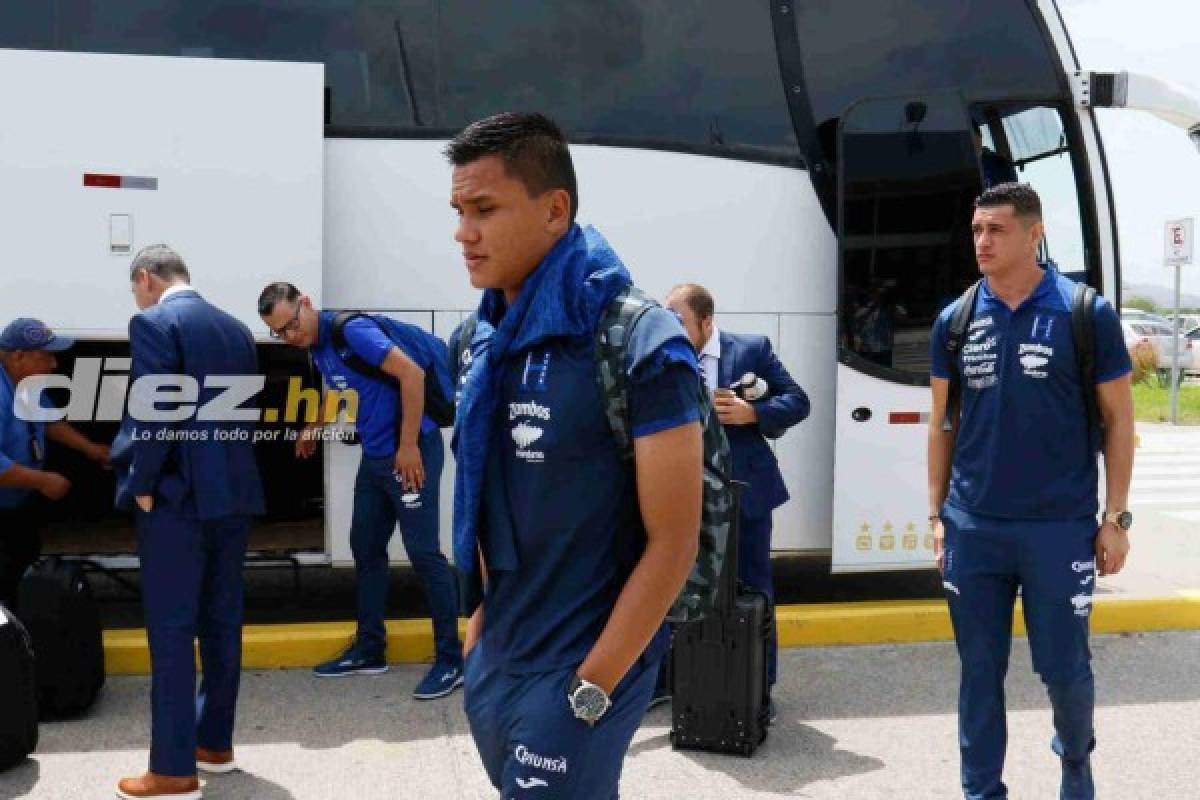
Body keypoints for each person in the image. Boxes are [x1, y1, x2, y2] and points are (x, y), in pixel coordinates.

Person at [448, 112, 703, 799]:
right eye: (458, 210)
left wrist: (594, 686)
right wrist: (478, 630)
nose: (462, 232)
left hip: (580, 675)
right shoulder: (478, 339)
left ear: (554, 210)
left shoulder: (640, 341)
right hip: (498, 662)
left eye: (484, 209)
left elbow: (677, 538)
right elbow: (481, 493)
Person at [927, 183, 1134, 800]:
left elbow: (1121, 422)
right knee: (979, 673)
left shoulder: (1083, 313)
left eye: (996, 230)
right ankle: (981, 792)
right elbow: (943, 425)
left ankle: (1075, 759)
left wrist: (1115, 518)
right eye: (976, 231)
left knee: (1065, 672)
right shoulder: (956, 320)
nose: (982, 243)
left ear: (1033, 232)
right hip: (974, 526)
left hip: (1059, 529)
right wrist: (937, 515)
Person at [257, 282, 463, 696]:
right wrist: (313, 426)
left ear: (306, 304)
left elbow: (412, 374)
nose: (290, 337)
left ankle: (451, 660)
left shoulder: (350, 331)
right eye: (280, 333)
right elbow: (339, 388)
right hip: (376, 457)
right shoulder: (318, 346)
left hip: (410, 450)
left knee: (424, 554)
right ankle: (371, 649)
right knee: (366, 548)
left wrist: (408, 447)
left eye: (292, 325)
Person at [112, 245, 265, 800]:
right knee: (222, 622)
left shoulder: (154, 322)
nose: (136, 298)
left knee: (172, 631)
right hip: (233, 497)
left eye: (135, 288)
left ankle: (174, 770)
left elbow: (156, 410)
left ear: (147, 279)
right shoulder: (236, 330)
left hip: (177, 501)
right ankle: (214, 745)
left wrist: (144, 485)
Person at [664, 284, 810, 714]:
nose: (671, 330)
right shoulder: (666, 354)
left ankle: (759, 685)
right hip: (684, 495)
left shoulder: (750, 350)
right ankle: (671, 681)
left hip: (746, 492)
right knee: (673, 588)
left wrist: (754, 414)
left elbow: (798, 401)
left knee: (754, 585)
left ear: (707, 322)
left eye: (680, 321)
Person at [0, 318, 110, 611]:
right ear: (18, 356)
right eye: (45, 355)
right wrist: (42, 481)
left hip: (15, 507)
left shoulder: (25, 386)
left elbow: (47, 420)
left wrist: (92, 450)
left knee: (19, 561)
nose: (53, 364)